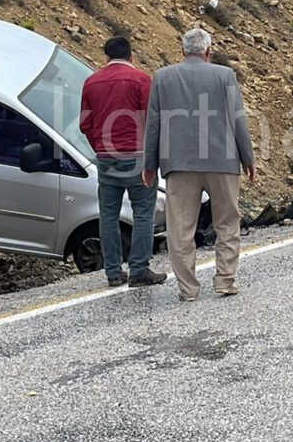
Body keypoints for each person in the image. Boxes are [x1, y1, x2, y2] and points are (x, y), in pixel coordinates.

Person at [144, 28, 256, 301]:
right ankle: (225, 280)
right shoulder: (224, 75)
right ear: (208, 51)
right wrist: (248, 158)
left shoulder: (162, 77)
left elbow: (153, 124)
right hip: (222, 160)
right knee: (227, 221)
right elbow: (238, 120)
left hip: (179, 164)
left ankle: (189, 289)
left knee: (180, 228)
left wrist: (149, 163)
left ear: (183, 51)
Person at [80, 36, 167, 288]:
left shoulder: (91, 82)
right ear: (131, 56)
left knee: (108, 215)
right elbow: (152, 122)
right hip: (137, 157)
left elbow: (85, 124)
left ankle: (114, 272)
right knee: (143, 212)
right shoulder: (141, 80)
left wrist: (100, 146)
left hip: (106, 158)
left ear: (106, 57)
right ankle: (139, 269)